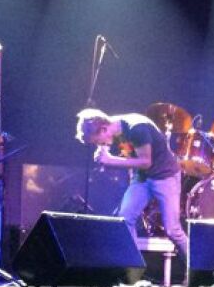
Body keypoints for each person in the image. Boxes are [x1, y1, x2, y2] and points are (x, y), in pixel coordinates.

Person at [75, 109, 189, 268]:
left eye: (97, 141)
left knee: (172, 230)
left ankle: (198, 270)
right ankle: (133, 270)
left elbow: (146, 162)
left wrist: (111, 160)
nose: (98, 144)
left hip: (165, 176)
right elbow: (133, 158)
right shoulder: (114, 129)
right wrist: (105, 154)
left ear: (103, 129)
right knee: (124, 219)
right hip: (142, 178)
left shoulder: (137, 128)